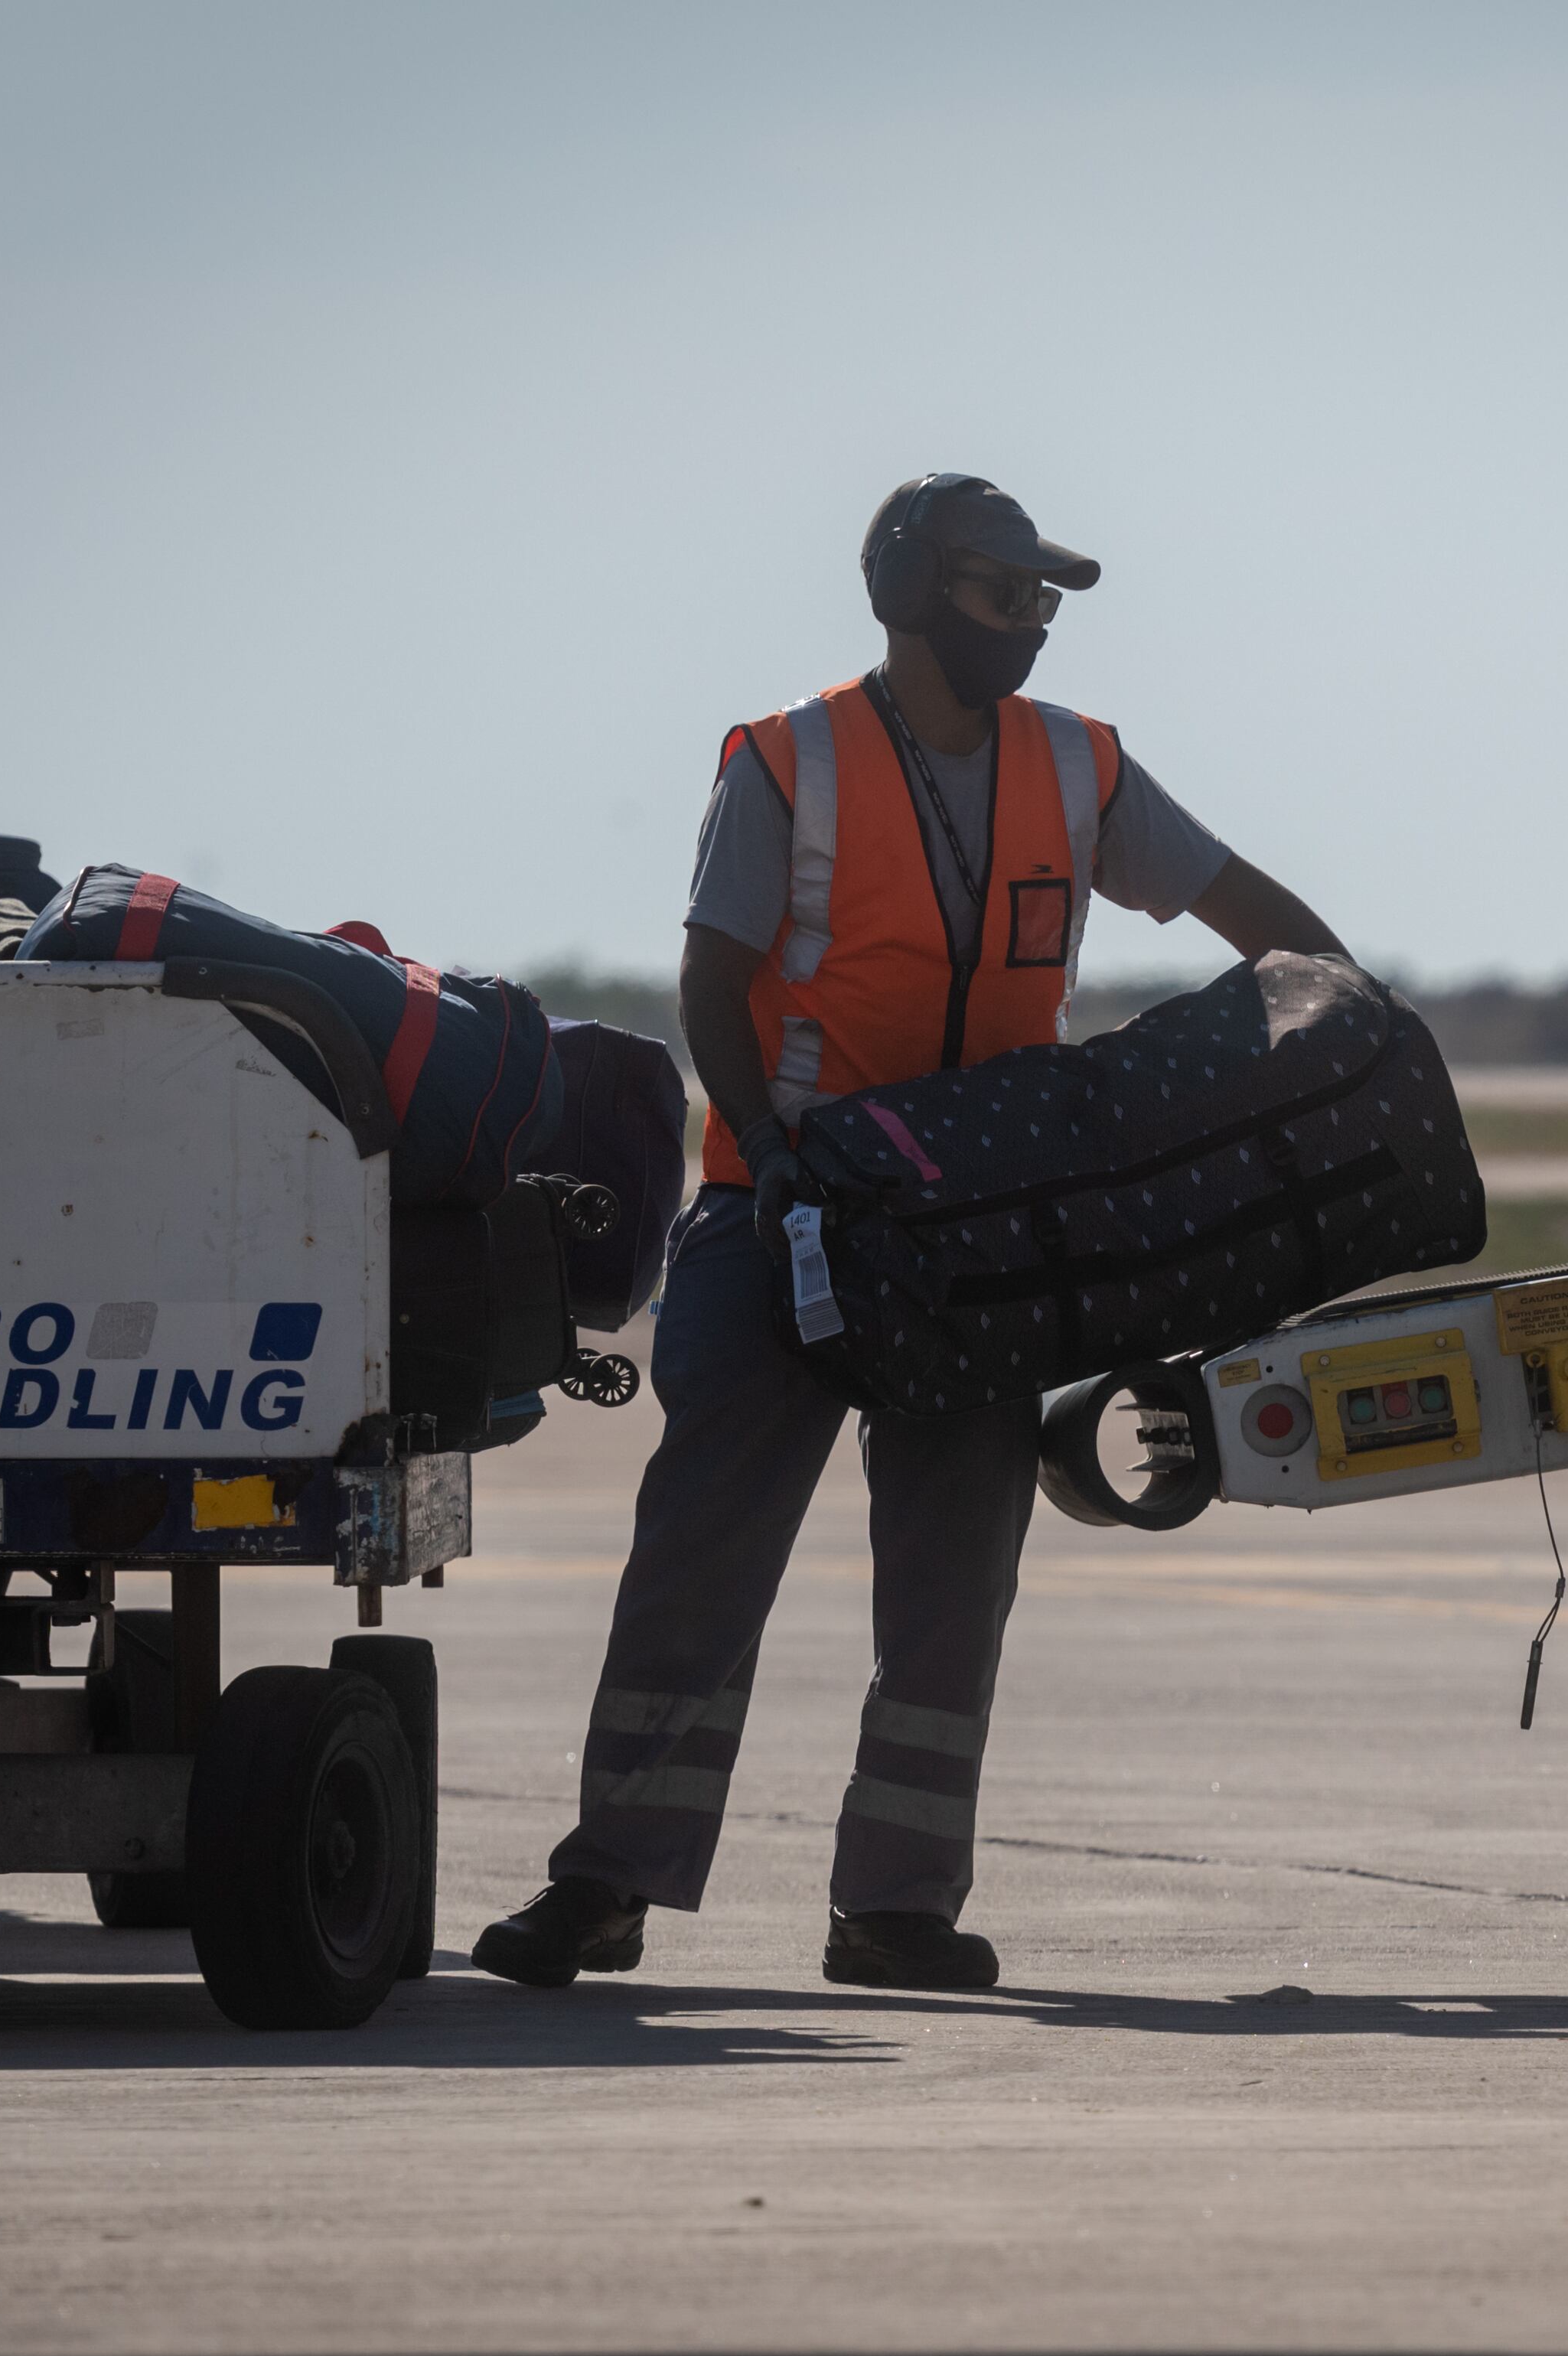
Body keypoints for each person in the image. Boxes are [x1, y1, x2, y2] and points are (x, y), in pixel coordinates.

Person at [474, 473, 1348, 1993]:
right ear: (913, 591)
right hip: (782, 1218)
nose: (1032, 624)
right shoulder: (788, 762)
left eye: (1043, 600)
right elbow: (709, 981)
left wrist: (1345, 1002)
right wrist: (789, 1160)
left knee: (952, 1582)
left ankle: (896, 1911)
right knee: (698, 1564)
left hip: (975, 1230)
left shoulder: (1079, 767)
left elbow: (1233, 899)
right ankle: (607, 1882)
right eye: (1004, 592)